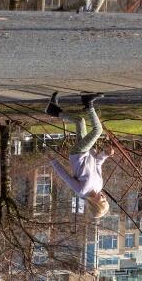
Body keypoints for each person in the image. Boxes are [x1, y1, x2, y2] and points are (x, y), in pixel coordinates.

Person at [44, 91, 112, 219]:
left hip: (78, 154)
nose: (104, 197)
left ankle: (88, 103)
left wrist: (53, 161)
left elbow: (65, 177)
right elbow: (97, 164)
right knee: (80, 121)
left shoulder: (82, 191)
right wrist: (106, 154)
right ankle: (53, 110)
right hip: (87, 151)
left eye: (102, 201)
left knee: (98, 130)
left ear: (94, 204)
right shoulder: (99, 185)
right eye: (106, 200)